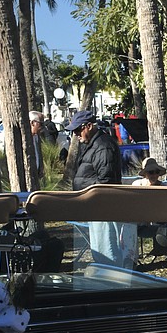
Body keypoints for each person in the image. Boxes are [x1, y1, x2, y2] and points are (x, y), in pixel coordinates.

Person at [65, 110, 135, 267]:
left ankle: (113, 285)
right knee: (100, 251)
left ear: (88, 126)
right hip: (95, 208)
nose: (76, 134)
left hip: (104, 208)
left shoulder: (103, 146)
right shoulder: (94, 144)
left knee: (107, 253)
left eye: (77, 130)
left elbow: (106, 182)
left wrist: (89, 197)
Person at [29, 111, 46, 181]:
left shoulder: (37, 138)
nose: (43, 127)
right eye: (41, 124)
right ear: (32, 123)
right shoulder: (25, 139)